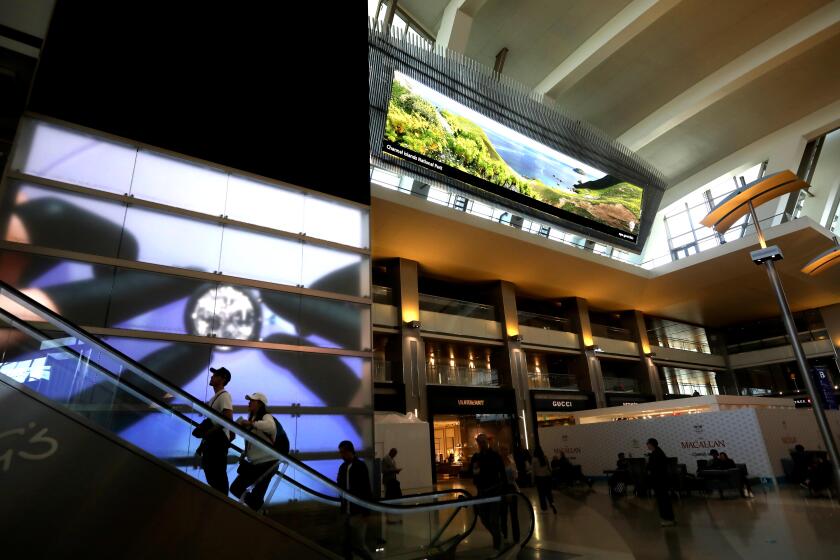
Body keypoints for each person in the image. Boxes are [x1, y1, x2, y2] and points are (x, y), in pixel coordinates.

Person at [230, 392, 279, 511]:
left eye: (252, 400)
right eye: (249, 400)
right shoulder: (252, 419)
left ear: (260, 404)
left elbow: (271, 426)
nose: (249, 402)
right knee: (237, 489)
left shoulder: (266, 417)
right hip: (257, 463)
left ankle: (258, 509)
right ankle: (259, 509)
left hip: (268, 463)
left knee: (240, 489)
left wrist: (251, 424)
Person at [198, 366, 233, 495]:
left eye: (216, 375)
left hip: (218, 440)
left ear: (223, 379)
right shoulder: (215, 398)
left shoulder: (224, 396)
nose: (212, 377)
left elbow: (228, 417)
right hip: (214, 440)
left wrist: (210, 432)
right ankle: (220, 499)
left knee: (217, 474)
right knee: (212, 472)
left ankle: (222, 502)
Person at [338, 440, 374, 560]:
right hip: (346, 511)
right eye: (341, 452)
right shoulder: (343, 467)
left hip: (357, 512)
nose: (341, 455)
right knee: (345, 543)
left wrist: (366, 512)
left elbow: (366, 488)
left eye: (343, 452)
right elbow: (340, 486)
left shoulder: (360, 465)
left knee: (359, 544)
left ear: (349, 451)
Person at [470, 433, 505, 551]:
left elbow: (502, 473)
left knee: (494, 519)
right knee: (484, 517)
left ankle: (498, 543)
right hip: (483, 492)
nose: (481, 444)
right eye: (480, 442)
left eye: (483, 442)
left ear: (487, 442)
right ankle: (498, 537)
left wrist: (502, 488)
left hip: (494, 491)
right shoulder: (476, 457)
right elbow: (474, 473)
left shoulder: (495, 456)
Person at [646, 438, 675, 527]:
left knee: (663, 500)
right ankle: (668, 518)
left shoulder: (656, 454)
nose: (647, 446)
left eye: (647, 444)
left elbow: (654, 468)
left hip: (659, 481)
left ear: (651, 444)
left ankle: (668, 519)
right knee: (663, 500)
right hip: (660, 481)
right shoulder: (658, 453)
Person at [498, 445, 520, 544]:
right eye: (503, 449)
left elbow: (516, 475)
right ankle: (504, 536)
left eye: (506, 449)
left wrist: (513, 475)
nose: (504, 451)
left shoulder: (511, 461)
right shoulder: (498, 463)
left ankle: (516, 537)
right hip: (502, 489)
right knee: (503, 514)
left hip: (512, 487)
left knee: (514, 514)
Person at [533, 446, 557, 513]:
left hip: (539, 478)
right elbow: (548, 467)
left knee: (541, 494)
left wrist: (532, 480)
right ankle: (552, 503)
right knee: (548, 492)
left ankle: (544, 508)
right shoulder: (545, 457)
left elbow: (533, 470)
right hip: (547, 477)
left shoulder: (534, 459)